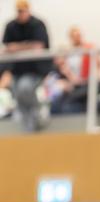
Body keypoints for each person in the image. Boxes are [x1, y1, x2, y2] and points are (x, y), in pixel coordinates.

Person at [1, 0, 52, 131]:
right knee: (18, 96)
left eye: (23, 11)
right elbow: (7, 47)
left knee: (25, 88)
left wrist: (17, 47)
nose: (21, 14)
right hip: (17, 70)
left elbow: (38, 46)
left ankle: (38, 111)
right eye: (18, 11)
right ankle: (29, 129)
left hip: (35, 70)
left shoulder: (37, 24)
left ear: (28, 10)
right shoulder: (11, 26)